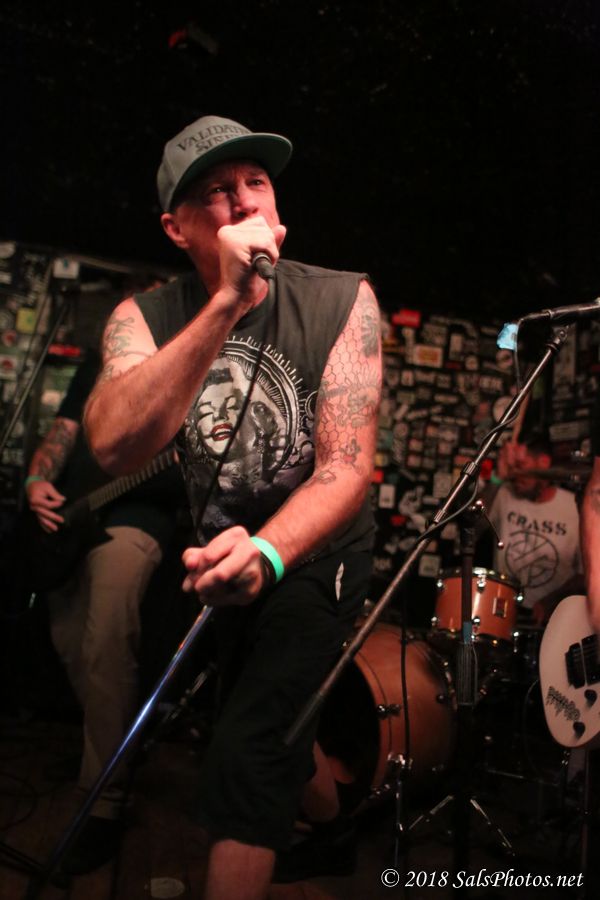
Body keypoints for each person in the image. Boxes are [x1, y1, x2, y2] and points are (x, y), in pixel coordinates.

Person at [83, 114, 382, 898]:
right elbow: (112, 445)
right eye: (217, 191)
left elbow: (345, 467)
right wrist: (224, 302)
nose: (245, 201)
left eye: (257, 182)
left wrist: (271, 552)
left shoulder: (342, 299)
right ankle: (334, 824)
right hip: (218, 549)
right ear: (176, 228)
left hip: (314, 552)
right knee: (270, 715)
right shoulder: (145, 317)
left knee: (248, 746)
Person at [25, 347, 186, 874]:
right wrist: (36, 480)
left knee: (106, 640)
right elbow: (65, 428)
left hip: (136, 515)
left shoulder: (185, 363)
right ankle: (109, 753)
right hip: (72, 515)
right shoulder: (98, 361)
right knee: (71, 640)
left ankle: (104, 801)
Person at [486, 434, 584, 624]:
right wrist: (497, 478)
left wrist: (551, 601)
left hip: (553, 616)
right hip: (501, 608)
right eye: (512, 467)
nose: (514, 474)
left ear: (543, 463)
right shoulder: (504, 494)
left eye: (520, 465)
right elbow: (473, 525)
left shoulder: (574, 508)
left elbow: (585, 574)